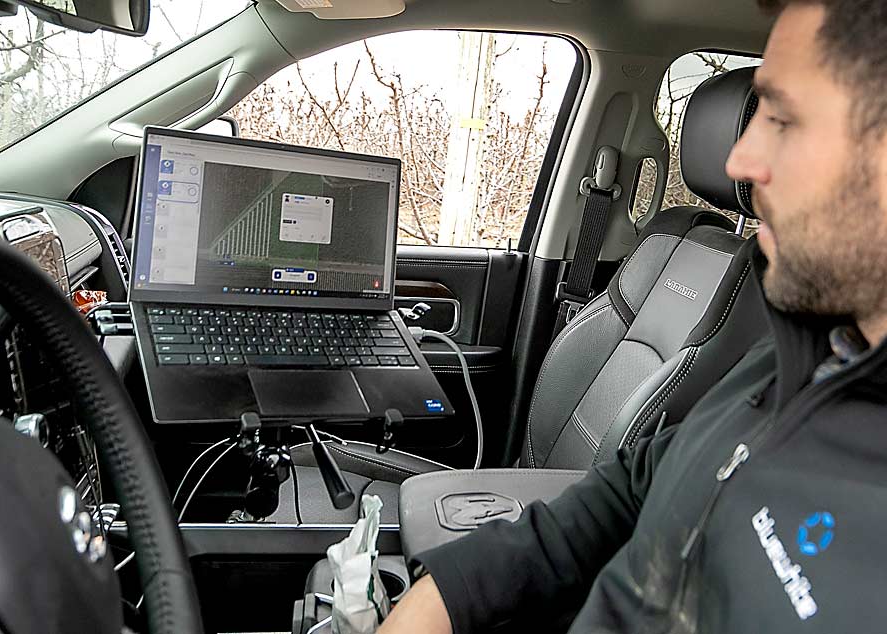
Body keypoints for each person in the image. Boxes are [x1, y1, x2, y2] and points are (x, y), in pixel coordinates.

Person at [379, 0, 887, 631]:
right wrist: (451, 593)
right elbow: (640, 481)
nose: (739, 163)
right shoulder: (804, 351)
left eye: (782, 119)